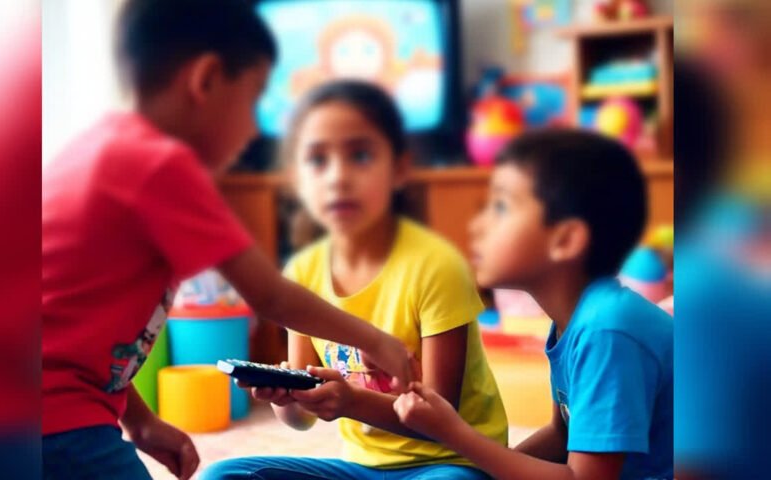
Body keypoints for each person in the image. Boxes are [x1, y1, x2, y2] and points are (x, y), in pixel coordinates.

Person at [42, 2, 415, 479]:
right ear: (207, 80)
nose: (255, 127)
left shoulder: (96, 149)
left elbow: (70, 333)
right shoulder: (161, 165)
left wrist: (140, 421)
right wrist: (375, 339)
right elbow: (271, 296)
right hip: (55, 418)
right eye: (254, 98)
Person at [201, 80, 507, 480]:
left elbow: (437, 418)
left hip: (449, 465)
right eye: (317, 160)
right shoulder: (302, 274)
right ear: (295, 179)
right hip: (360, 470)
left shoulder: (437, 266)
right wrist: (285, 399)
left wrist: (350, 402)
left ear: (399, 168)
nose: (338, 178)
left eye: (360, 156)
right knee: (222, 475)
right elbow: (300, 421)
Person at [393, 129, 674, 480]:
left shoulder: (607, 330)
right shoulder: (576, 320)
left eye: (500, 207)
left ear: (566, 240)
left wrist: (454, 433)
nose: (476, 226)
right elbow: (561, 435)